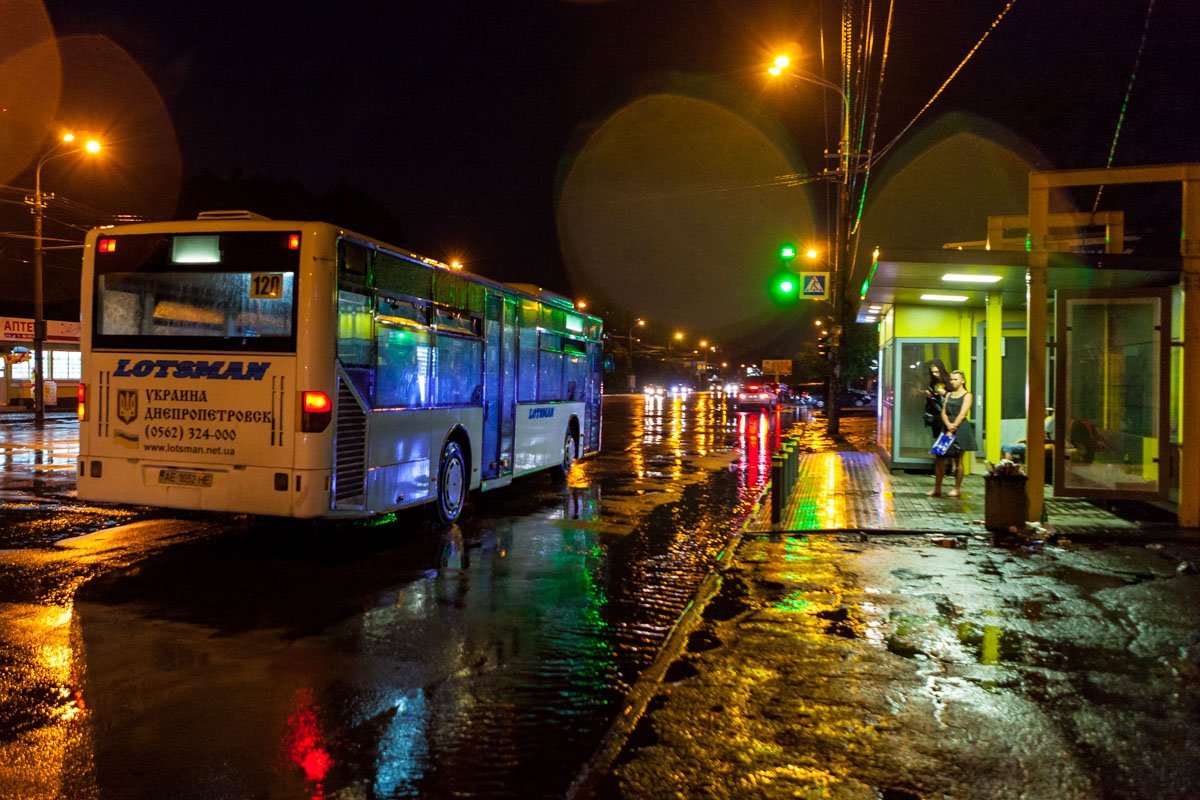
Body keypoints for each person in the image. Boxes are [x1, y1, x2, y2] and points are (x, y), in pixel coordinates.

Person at [929, 369, 976, 498]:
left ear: (962, 380)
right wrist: (948, 425)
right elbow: (943, 411)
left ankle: (957, 488)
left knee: (958, 459)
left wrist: (953, 426)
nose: (953, 382)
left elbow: (963, 412)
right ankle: (937, 488)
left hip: (960, 428)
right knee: (939, 456)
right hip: (947, 427)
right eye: (951, 379)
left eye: (955, 379)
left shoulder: (967, 395)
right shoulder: (949, 395)